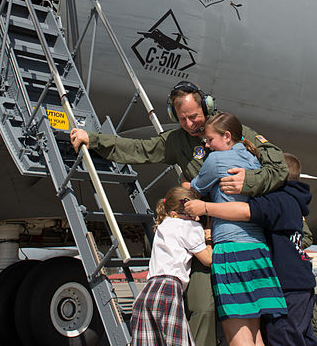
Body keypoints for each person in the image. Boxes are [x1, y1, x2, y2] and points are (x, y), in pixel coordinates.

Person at [70, 81, 289, 346]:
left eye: (194, 116)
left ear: (206, 108)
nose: (190, 123)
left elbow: (279, 166)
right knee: (204, 309)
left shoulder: (230, 130)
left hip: (240, 235)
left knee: (252, 318)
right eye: (182, 118)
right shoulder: (177, 141)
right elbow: (139, 149)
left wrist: (248, 181)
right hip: (202, 234)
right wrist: (93, 139)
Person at [185, 151, 317, 346]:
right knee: (305, 338)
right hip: (301, 283)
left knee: (283, 338)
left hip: (287, 285)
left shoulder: (277, 200)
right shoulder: (293, 200)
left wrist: (205, 207)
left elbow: (245, 211)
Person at [187, 112, 287, 346]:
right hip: (257, 251)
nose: (207, 145)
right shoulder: (253, 160)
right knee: (254, 331)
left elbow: (196, 187)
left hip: (232, 252)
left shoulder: (215, 160)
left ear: (227, 136)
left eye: (210, 140)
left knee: (236, 334)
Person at [130, 186, 212, 346]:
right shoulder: (190, 227)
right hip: (168, 290)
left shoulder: (164, 224)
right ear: (176, 214)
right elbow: (208, 259)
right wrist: (208, 235)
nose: (196, 219)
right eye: (193, 215)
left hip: (147, 292)